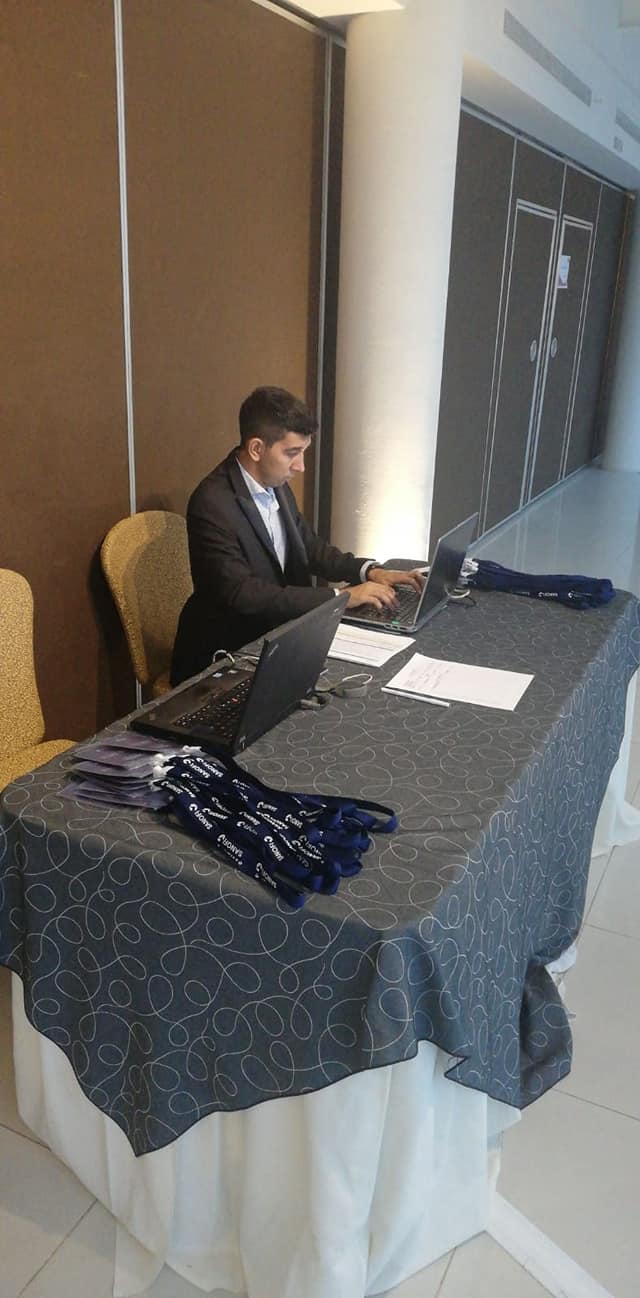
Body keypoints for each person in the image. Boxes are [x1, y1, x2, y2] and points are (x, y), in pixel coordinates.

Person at [171, 386, 423, 685]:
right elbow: (244, 594)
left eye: (303, 452)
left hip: (282, 634)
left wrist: (370, 571)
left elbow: (309, 547)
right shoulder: (212, 504)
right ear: (256, 449)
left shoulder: (274, 483)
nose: (301, 466)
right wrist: (340, 598)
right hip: (229, 652)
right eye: (292, 453)